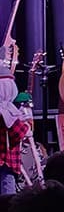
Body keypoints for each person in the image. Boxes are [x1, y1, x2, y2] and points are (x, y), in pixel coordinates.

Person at [0, 65, 31, 195]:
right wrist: (27, 127)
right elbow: (18, 132)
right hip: (6, 162)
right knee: (7, 197)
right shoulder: (6, 111)